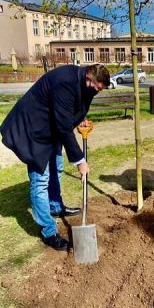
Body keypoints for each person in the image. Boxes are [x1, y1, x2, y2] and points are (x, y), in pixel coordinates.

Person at [0, 64, 110, 250]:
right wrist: (80, 160)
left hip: (51, 128)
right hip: (33, 129)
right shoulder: (65, 82)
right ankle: (48, 232)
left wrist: (79, 117)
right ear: (89, 79)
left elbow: (76, 105)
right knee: (40, 180)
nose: (97, 92)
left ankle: (55, 206)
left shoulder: (84, 83)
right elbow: (63, 126)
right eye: (98, 88)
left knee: (57, 167)